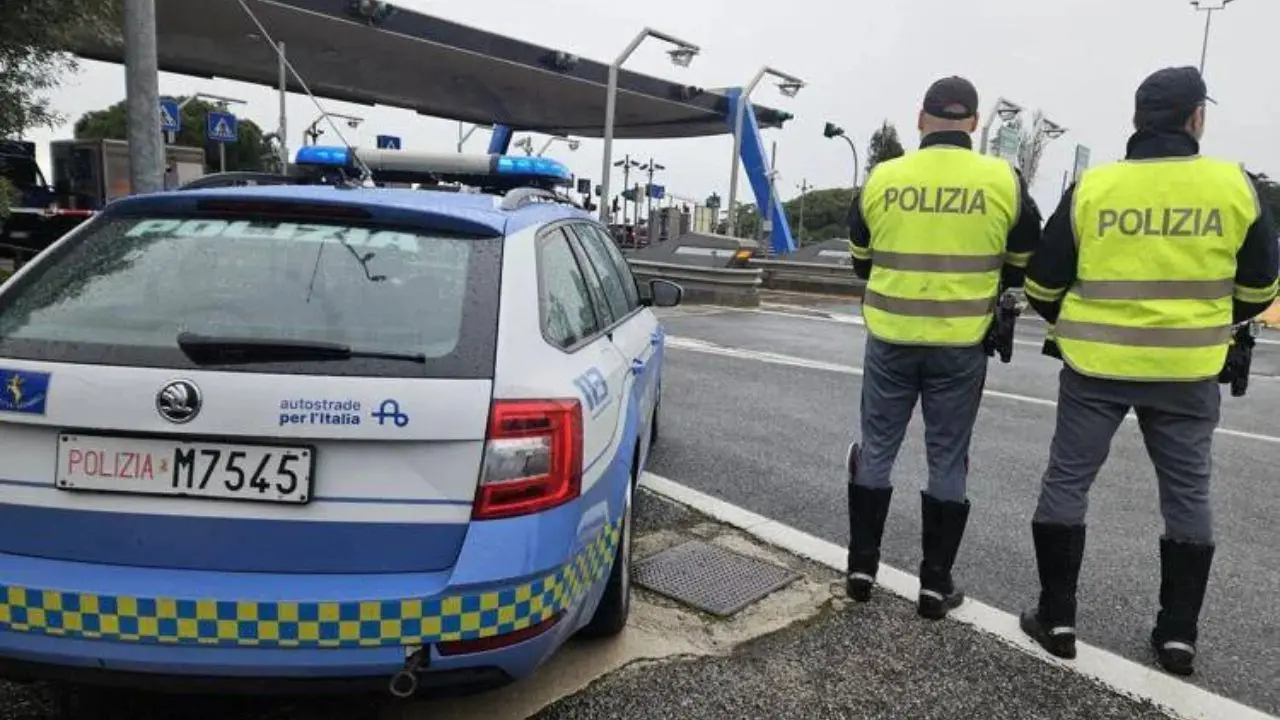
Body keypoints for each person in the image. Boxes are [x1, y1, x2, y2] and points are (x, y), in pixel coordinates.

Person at [1019, 66, 1279, 676]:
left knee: (1067, 483)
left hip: (1094, 365)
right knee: (1188, 495)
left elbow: (1042, 282)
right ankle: (1178, 636)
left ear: (1137, 120)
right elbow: (1261, 285)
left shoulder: (1095, 188)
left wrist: (1078, 320)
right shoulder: (1232, 185)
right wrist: (1206, 321)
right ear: (1196, 119)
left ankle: (1057, 618)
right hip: (1189, 368)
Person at [846, 76, 1043, 620]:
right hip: (960, 344)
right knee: (948, 459)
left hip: (889, 338)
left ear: (920, 118)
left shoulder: (884, 177)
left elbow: (861, 257)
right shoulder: (1003, 178)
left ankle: (862, 570)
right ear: (975, 123)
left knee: (877, 449)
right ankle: (934, 587)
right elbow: (1025, 255)